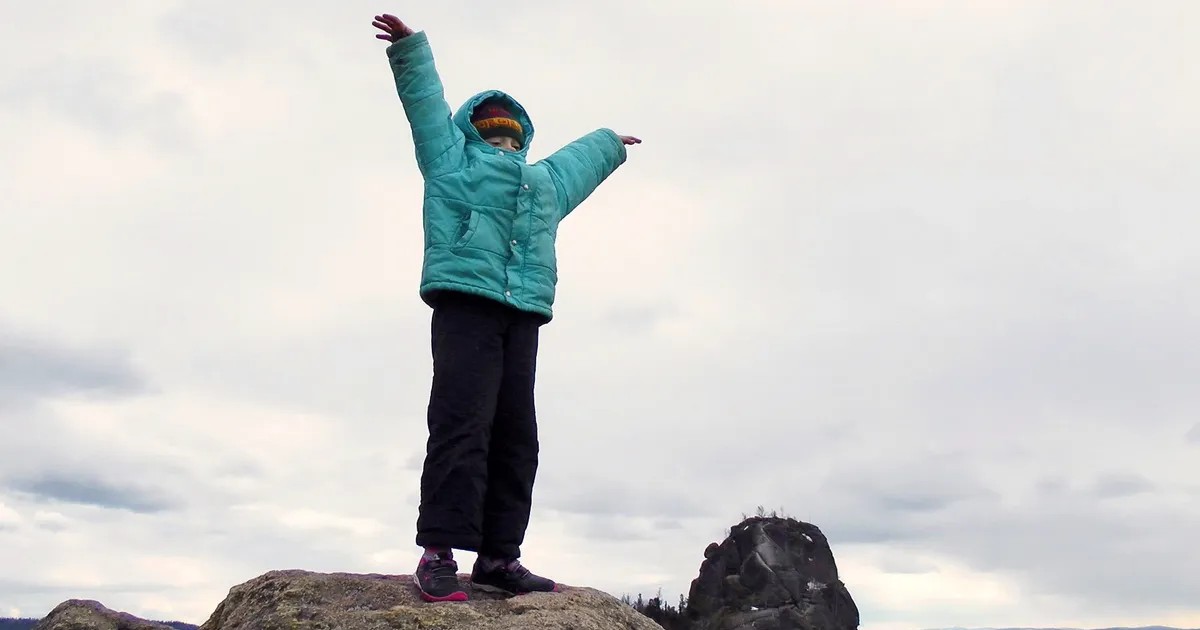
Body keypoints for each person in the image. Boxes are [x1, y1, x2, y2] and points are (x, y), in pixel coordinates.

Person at [371, 13, 642, 603]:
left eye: (512, 138)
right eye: (494, 135)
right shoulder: (450, 160)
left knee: (518, 435)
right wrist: (411, 50)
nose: (505, 144)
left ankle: (498, 557)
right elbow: (426, 108)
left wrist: (609, 144)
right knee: (461, 423)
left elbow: (576, 164)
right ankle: (438, 552)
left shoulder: (542, 182)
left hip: (522, 312)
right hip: (465, 301)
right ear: (472, 133)